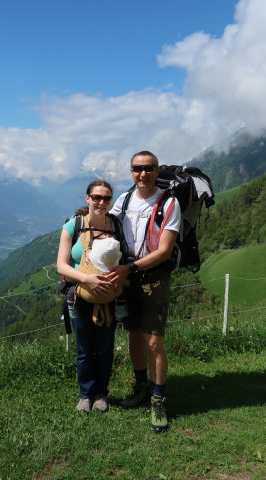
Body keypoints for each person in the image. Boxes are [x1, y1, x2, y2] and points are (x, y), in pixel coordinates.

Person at [106, 151, 181, 432]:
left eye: (148, 168)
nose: (143, 173)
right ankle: (141, 387)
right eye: (137, 168)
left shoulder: (168, 202)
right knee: (135, 335)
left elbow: (164, 251)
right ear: (131, 171)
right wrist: (84, 215)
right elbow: (106, 226)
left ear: (157, 170)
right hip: (127, 277)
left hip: (153, 278)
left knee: (153, 341)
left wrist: (130, 269)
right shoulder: (124, 201)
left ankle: (158, 399)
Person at [56, 180, 123, 413]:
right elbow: (61, 266)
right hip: (79, 295)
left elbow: (123, 259)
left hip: (108, 296)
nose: (101, 202)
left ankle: (101, 394)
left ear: (111, 201)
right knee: (84, 349)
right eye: (96, 197)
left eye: (106, 198)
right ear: (87, 198)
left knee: (104, 348)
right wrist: (87, 280)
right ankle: (86, 395)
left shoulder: (116, 225)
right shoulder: (73, 226)